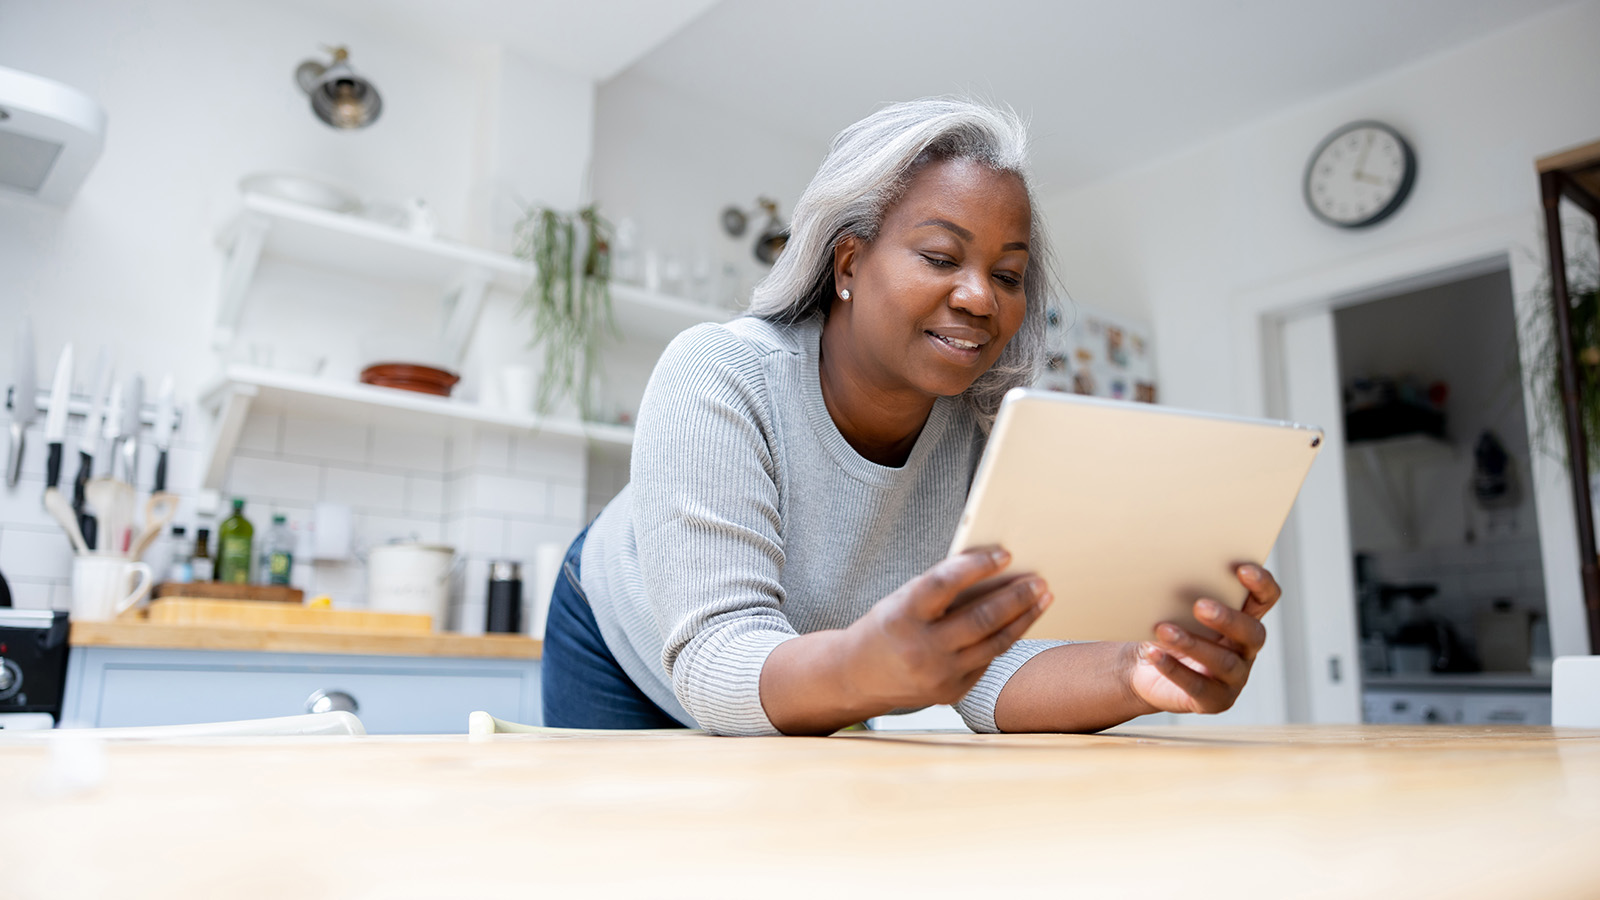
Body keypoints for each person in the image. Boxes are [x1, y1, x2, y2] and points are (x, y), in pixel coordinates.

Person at [541, 97, 1283, 736]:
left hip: (814, 677)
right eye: (939, 257)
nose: (979, 298)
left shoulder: (991, 430)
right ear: (850, 265)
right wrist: (865, 667)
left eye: (1007, 275)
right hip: (626, 648)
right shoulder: (721, 373)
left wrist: (1138, 670)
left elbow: (989, 667)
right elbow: (715, 658)